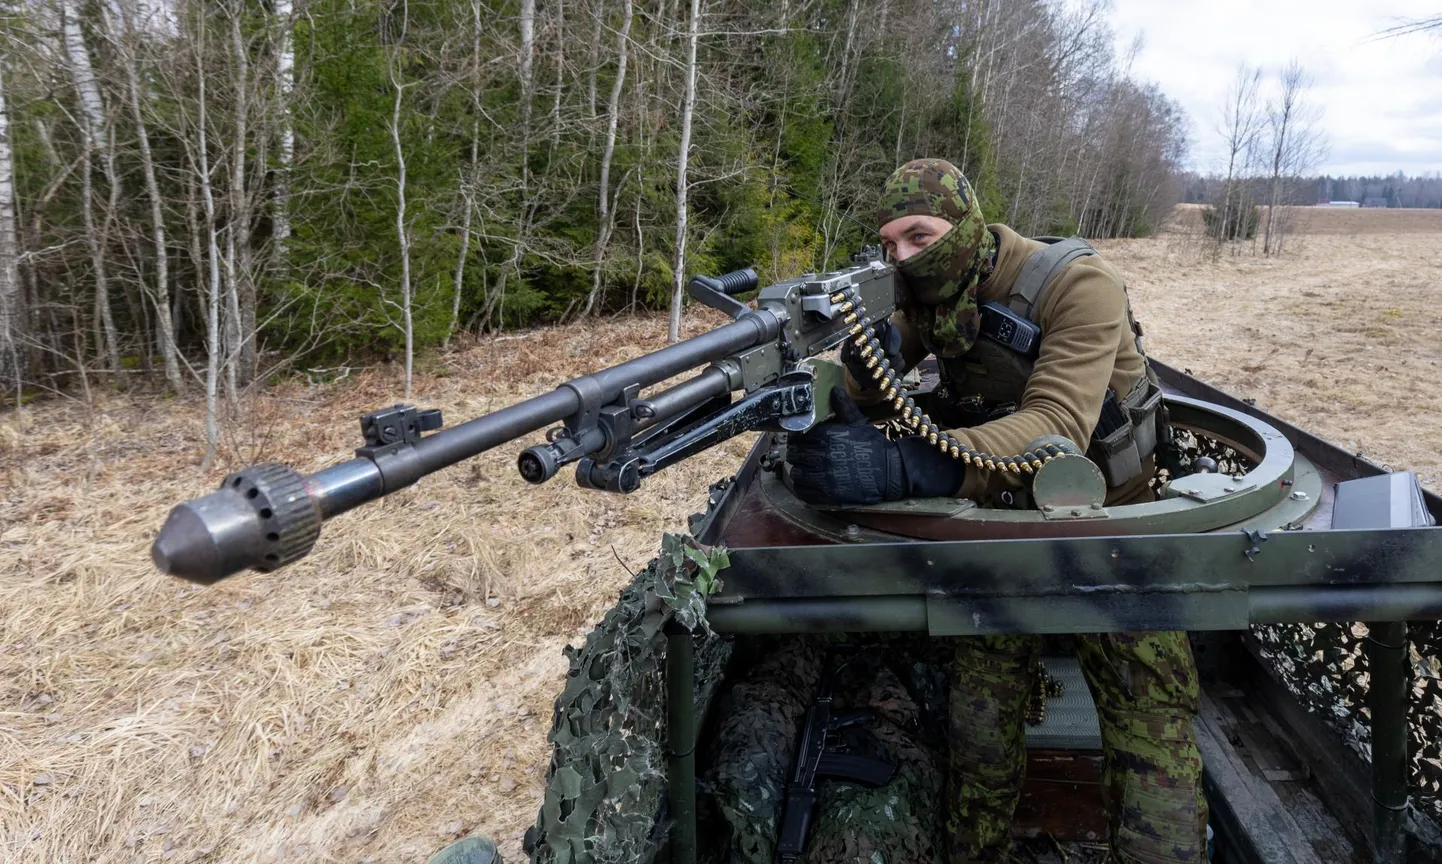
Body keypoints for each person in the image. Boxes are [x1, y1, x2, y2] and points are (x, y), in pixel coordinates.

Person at [783, 158, 1208, 864]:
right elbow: (870, 394)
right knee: (979, 731)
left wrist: (911, 462)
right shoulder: (933, 294)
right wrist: (863, 364)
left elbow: (1056, 428)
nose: (905, 258)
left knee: (1151, 740)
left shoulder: (1077, 284)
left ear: (966, 224)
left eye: (919, 236)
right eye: (890, 246)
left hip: (1116, 531)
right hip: (1004, 532)